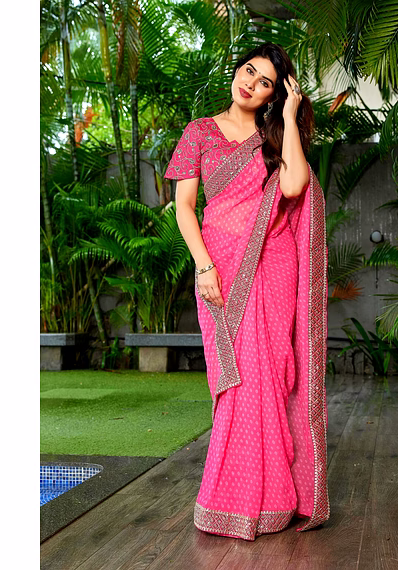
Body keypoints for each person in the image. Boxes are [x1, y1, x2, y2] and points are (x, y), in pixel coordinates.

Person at [163, 42, 329, 541]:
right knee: (236, 378)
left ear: (273, 96)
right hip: (220, 266)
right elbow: (185, 207)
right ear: (237, 69)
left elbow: (295, 185)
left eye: (265, 84)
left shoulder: (273, 137)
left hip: (272, 265)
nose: (251, 84)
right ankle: (230, 500)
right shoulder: (198, 132)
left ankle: (275, 501)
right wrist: (203, 266)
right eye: (249, 71)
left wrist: (291, 116)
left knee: (269, 376)